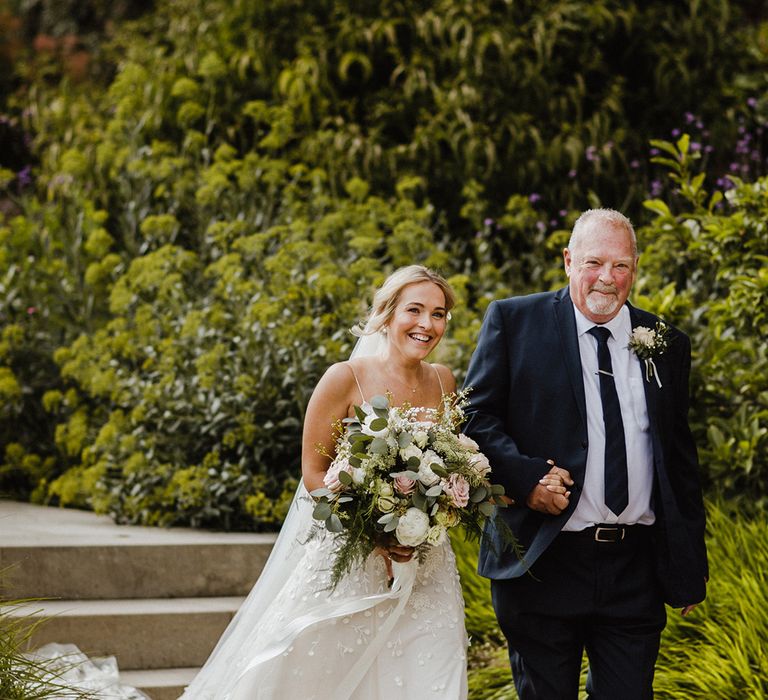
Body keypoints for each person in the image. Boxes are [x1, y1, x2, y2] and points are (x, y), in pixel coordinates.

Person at [182, 265, 469, 699]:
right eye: (415, 310)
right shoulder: (344, 377)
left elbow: (446, 464)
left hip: (427, 562)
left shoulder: (443, 379)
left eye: (439, 313)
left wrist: (433, 513)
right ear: (387, 314)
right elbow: (315, 474)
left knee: (432, 670)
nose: (427, 325)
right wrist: (375, 529)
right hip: (352, 555)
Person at [463, 208, 708, 699]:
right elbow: (476, 419)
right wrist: (527, 479)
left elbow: (678, 458)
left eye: (621, 266)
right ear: (568, 261)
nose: (607, 278)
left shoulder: (665, 344)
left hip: (634, 568)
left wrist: (688, 565)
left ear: (634, 270)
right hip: (544, 561)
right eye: (594, 262)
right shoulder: (514, 321)